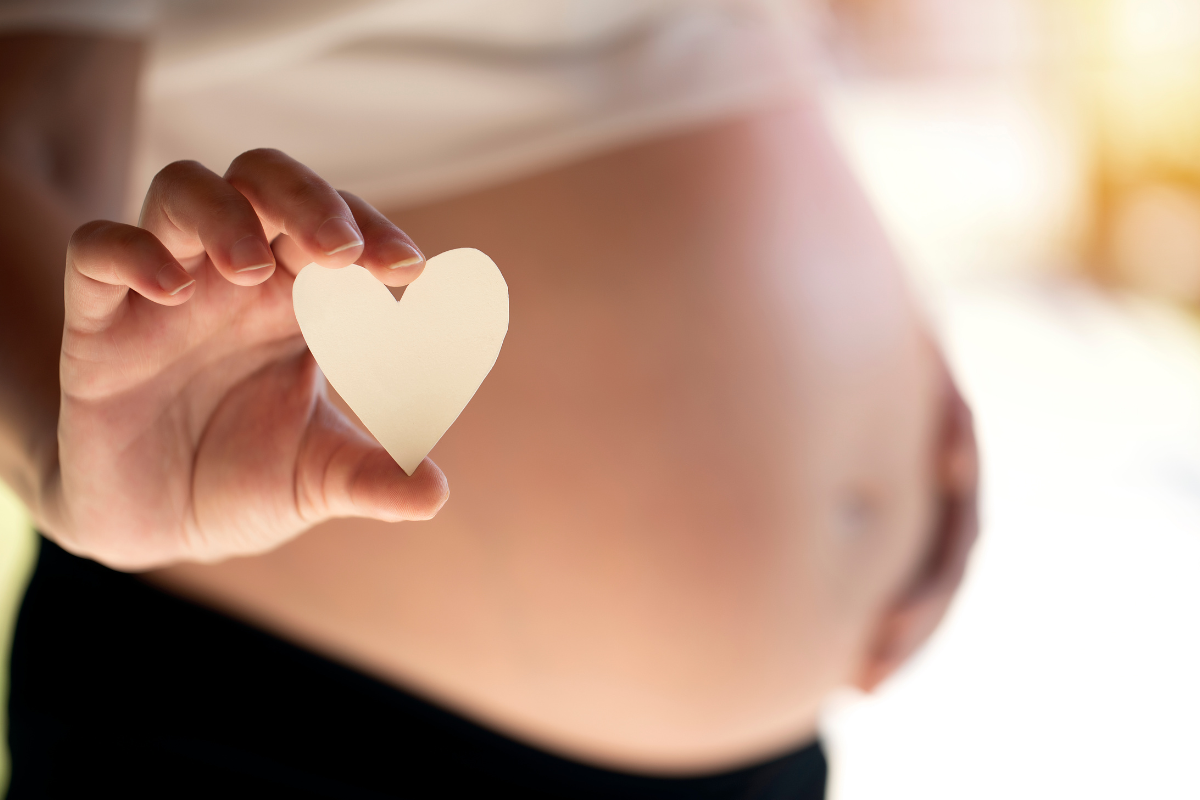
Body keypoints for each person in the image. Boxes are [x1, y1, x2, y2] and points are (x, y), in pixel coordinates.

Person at [0, 1, 978, 796]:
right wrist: (54, 448)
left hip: (769, 748)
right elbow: (27, 124)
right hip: (286, 719)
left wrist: (884, 378)